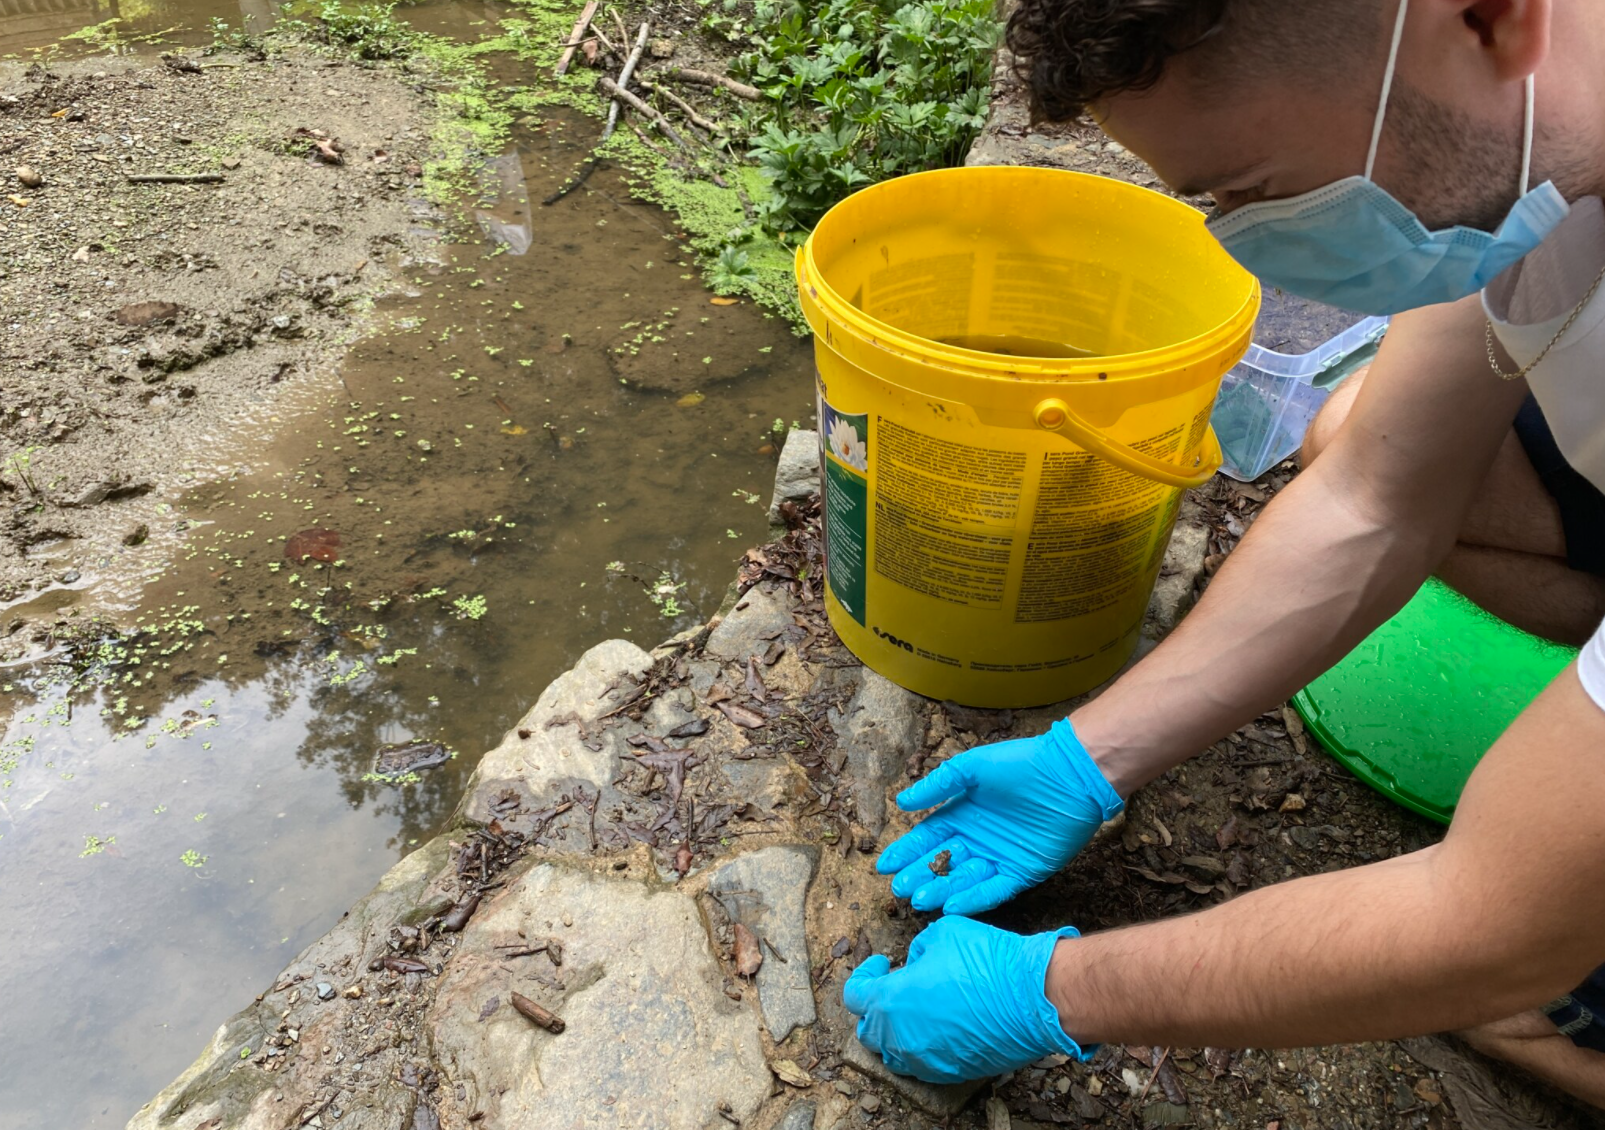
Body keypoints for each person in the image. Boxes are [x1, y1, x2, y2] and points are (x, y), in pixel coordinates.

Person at [843, 0, 1605, 1110]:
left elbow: (1487, 926)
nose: (1243, 235)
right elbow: (1379, 497)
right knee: (1352, 427)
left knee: (1521, 993)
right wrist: (1085, 757)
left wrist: (1049, 988)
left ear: (1488, 19)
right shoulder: (1531, 142)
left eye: (1252, 187)